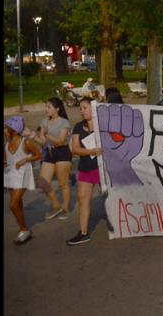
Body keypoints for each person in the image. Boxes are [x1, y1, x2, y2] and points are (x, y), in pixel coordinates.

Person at [67, 98, 103, 245]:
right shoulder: (78, 127)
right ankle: (83, 232)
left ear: (93, 108)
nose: (82, 111)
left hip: (102, 168)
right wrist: (91, 151)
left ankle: (121, 225)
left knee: (111, 198)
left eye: (84, 108)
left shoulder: (103, 125)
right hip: (86, 168)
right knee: (83, 200)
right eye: (80, 108)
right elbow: (75, 149)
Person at [31, 97, 73, 221]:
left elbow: (60, 142)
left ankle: (65, 208)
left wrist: (46, 134)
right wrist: (32, 136)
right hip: (49, 153)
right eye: (46, 107)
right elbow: (43, 143)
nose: (46, 109)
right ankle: (56, 205)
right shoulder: (44, 121)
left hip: (62, 152)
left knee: (63, 183)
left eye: (49, 107)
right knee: (42, 182)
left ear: (57, 109)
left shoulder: (64, 122)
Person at [4, 116, 41, 245]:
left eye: (6, 128)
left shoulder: (26, 142)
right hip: (10, 174)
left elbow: (38, 155)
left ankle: (24, 229)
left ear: (14, 130)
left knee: (12, 205)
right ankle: (22, 228)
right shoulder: (7, 142)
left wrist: (26, 159)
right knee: (17, 203)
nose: (4, 130)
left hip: (23, 173)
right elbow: (6, 160)